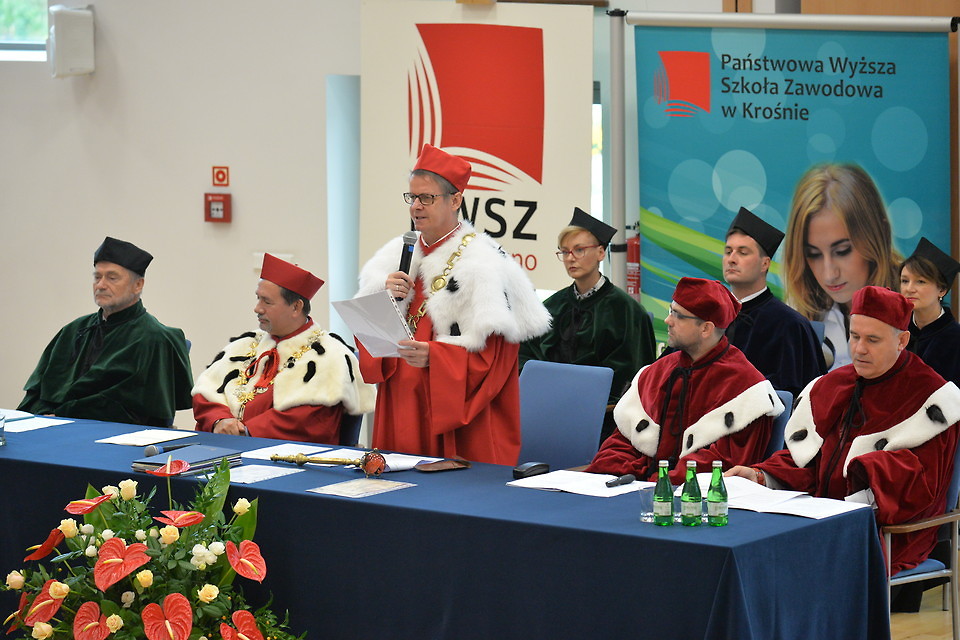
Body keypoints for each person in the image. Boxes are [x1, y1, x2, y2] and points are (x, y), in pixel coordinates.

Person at [727, 286, 960, 581]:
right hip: (819, 517)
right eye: (854, 336)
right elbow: (809, 463)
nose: (859, 349)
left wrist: (859, 480)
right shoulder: (832, 386)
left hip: (884, 529)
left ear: (902, 340)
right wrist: (760, 475)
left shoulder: (930, 397)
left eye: (872, 340)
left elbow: (921, 485)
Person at [355, 143, 550, 465]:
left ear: (455, 200)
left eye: (426, 198)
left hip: (450, 413)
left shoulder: (483, 263)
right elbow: (371, 341)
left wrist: (437, 356)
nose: (416, 207)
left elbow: (497, 360)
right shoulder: (396, 256)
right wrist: (383, 298)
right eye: (411, 197)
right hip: (401, 402)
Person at [585, 277, 782, 483]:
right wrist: (617, 475)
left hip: (694, 498)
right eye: (671, 311)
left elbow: (721, 465)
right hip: (642, 488)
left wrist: (656, 483)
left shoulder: (745, 388)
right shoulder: (657, 371)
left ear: (706, 329)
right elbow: (621, 443)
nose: (668, 321)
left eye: (678, 315)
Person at [192, 253, 375, 443]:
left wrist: (245, 432)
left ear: (296, 307)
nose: (257, 308)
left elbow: (310, 422)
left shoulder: (330, 355)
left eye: (267, 301)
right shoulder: (245, 343)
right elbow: (206, 391)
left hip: (280, 454)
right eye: (258, 298)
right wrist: (219, 420)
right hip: (223, 446)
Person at [19, 237, 193, 426]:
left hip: (111, 433)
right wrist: (39, 415)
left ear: (138, 285)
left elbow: (132, 409)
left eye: (112, 278)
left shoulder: (154, 338)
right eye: (97, 277)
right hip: (50, 425)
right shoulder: (74, 330)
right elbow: (37, 390)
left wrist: (61, 416)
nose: (101, 285)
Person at [519, 207, 655, 443]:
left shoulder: (627, 312)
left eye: (579, 250)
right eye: (564, 252)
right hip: (548, 415)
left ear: (601, 252)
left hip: (605, 423)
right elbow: (525, 358)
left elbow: (634, 375)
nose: (570, 258)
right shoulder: (550, 308)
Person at [782, 163, 901, 370]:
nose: (829, 274)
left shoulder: (918, 309)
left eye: (842, 250)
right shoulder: (798, 314)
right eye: (813, 254)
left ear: (878, 235)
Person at [722, 206, 825, 397]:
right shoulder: (707, 316)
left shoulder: (789, 325)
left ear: (765, 264)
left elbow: (794, 393)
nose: (732, 259)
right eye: (728, 251)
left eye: (743, 252)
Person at [900, 237, 960, 388]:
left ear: (942, 290)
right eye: (905, 281)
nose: (909, 289)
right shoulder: (895, 331)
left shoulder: (955, 338)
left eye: (920, 281)